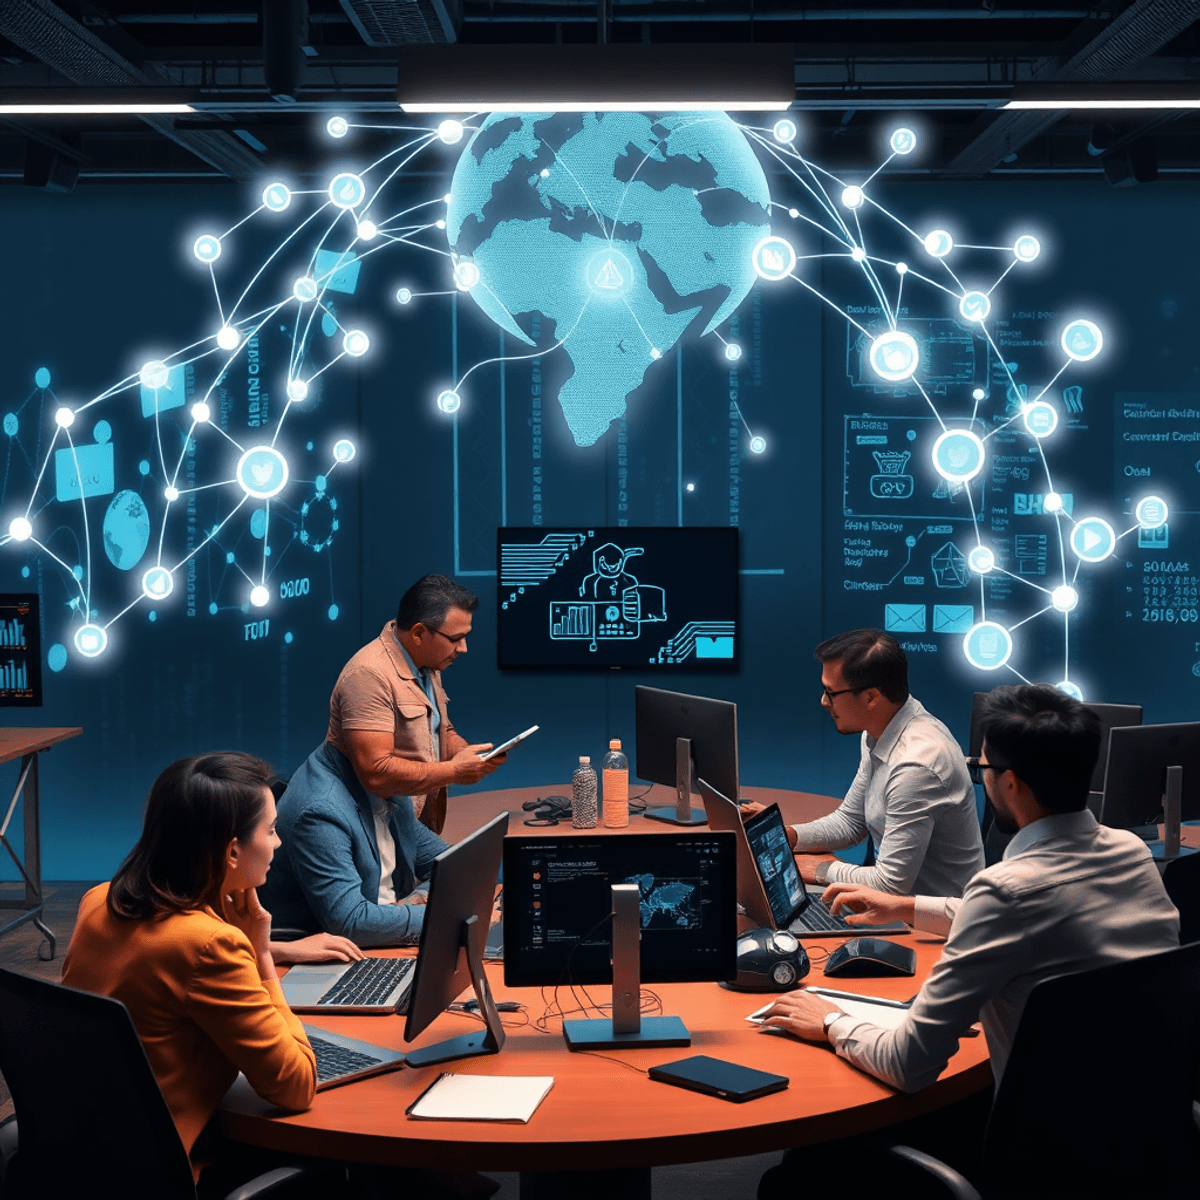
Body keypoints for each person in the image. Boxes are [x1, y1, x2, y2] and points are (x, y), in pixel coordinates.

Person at [759, 682, 1180, 1092]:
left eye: (982, 769)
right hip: (1146, 1118)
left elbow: (908, 1064)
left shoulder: (1004, 893)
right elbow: (1038, 916)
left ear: (1010, 782)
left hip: (1038, 1145)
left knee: (804, 1162)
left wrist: (831, 1022)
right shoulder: (1133, 855)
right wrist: (903, 907)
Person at [61, 752, 317, 1187]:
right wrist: (261, 959)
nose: (277, 843)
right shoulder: (212, 946)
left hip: (79, 1154)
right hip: (171, 1170)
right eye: (271, 831)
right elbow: (296, 1086)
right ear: (232, 851)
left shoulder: (97, 902)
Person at [259, 574, 504, 946]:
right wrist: (451, 914)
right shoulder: (323, 811)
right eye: (456, 638)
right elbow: (353, 922)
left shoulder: (394, 792)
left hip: (386, 929)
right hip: (340, 955)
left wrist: (486, 886)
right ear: (420, 633)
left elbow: (439, 735)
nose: (464, 648)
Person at [742, 628, 983, 897]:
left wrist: (820, 869)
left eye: (831, 692)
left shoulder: (916, 766)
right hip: (891, 910)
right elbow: (851, 822)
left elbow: (889, 884)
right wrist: (788, 836)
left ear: (871, 697)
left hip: (928, 927)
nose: (823, 701)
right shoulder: (879, 730)